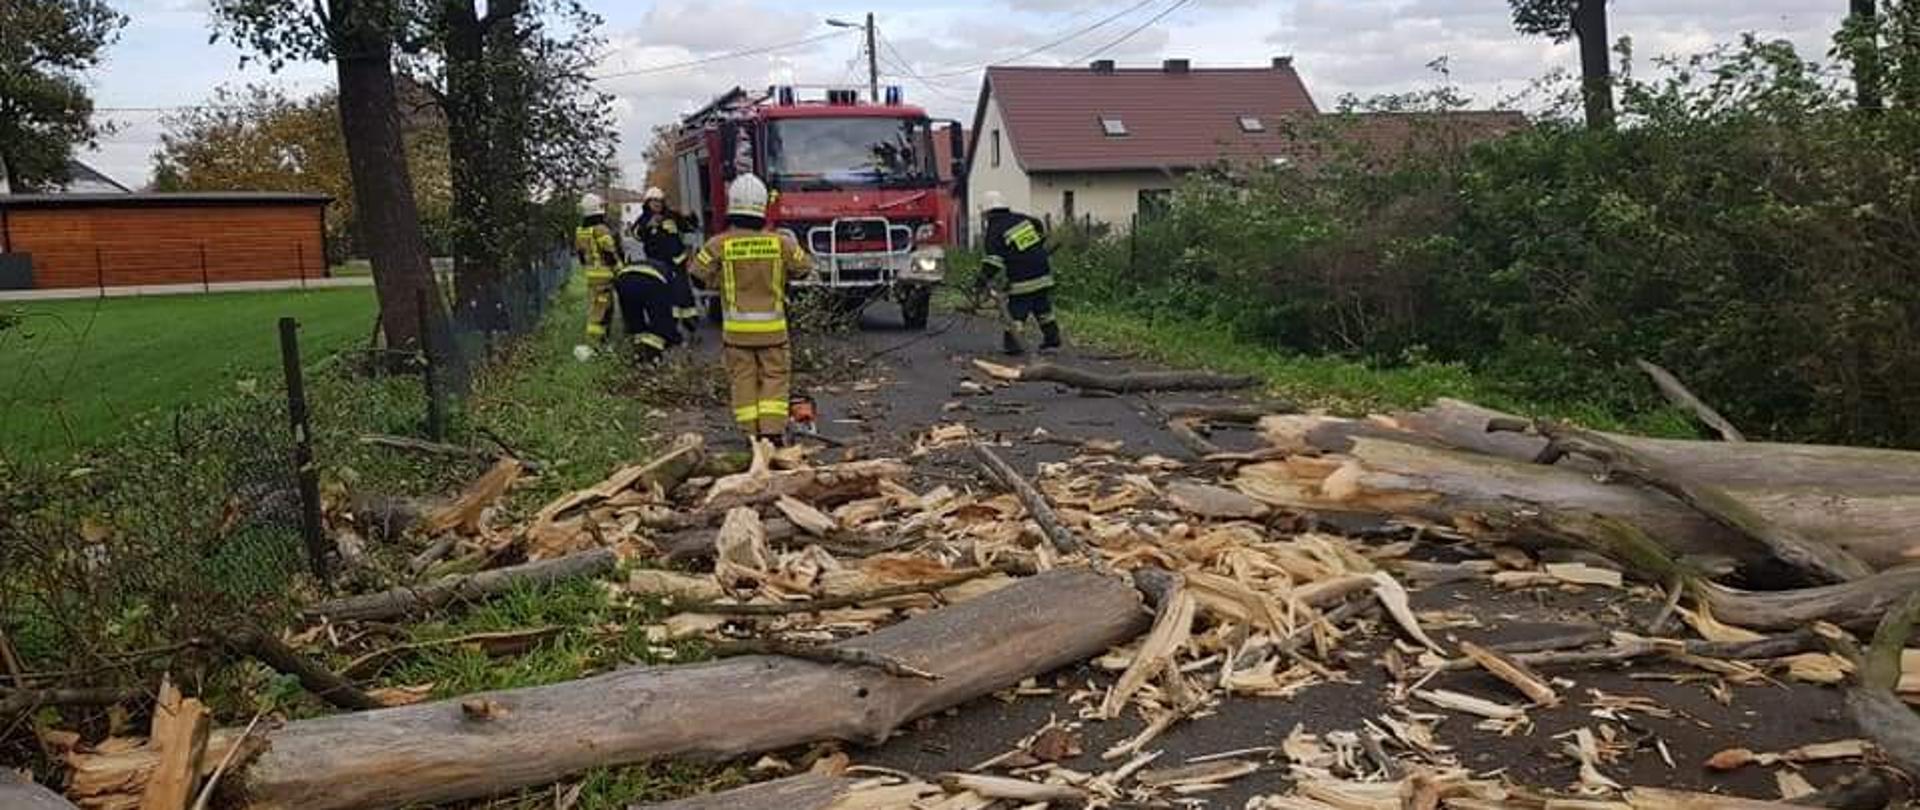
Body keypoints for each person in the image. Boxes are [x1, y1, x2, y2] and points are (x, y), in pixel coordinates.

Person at [690, 173, 812, 445]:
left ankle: (751, 435)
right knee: (774, 378)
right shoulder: (781, 242)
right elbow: (804, 268)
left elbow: (696, 274)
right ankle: (771, 433)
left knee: (742, 381)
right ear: (761, 207)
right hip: (773, 332)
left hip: (736, 333)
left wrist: (717, 280)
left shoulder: (719, 244)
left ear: (733, 206)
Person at [976, 190, 1062, 355]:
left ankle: (1013, 344)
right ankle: (1052, 338)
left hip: (1024, 277)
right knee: (1042, 308)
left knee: (1017, 311)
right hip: (1043, 271)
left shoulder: (995, 230)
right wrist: (1037, 244)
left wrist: (982, 278)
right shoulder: (1022, 219)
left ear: (987, 212)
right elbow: (1038, 228)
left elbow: (993, 261)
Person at [631, 187, 702, 340]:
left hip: (678, 262)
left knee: (683, 294)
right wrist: (648, 225)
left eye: (659, 201)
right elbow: (635, 233)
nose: (657, 204)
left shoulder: (671, 216)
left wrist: (692, 217)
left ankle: (691, 324)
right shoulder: (643, 219)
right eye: (654, 201)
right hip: (658, 266)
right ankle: (671, 328)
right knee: (665, 296)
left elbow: (689, 227)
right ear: (647, 203)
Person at [574, 193, 622, 353]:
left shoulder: (580, 230)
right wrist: (620, 270)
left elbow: (581, 255)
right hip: (605, 277)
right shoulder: (601, 229)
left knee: (596, 308)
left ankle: (597, 344)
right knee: (605, 311)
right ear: (598, 209)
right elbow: (610, 253)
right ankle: (599, 344)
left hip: (591, 276)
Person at [612, 256, 682, 363]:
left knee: (633, 316)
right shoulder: (673, 277)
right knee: (660, 318)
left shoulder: (658, 266)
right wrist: (673, 334)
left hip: (623, 280)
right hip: (650, 281)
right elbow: (670, 311)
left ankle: (639, 349)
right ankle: (652, 353)